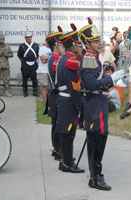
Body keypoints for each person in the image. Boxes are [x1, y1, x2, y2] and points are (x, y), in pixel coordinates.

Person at [78, 18, 125, 190]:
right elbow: (91, 84)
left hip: (97, 102)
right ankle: (96, 176)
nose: (100, 43)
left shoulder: (94, 57)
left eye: (99, 40)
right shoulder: (89, 58)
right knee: (99, 137)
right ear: (87, 43)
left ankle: (94, 175)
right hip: (96, 102)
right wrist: (112, 78)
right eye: (95, 41)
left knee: (95, 137)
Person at [55, 24, 84, 173]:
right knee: (68, 133)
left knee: (66, 133)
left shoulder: (64, 58)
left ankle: (64, 160)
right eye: (78, 45)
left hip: (63, 100)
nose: (80, 48)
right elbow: (74, 87)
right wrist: (80, 104)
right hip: (68, 101)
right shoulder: (70, 61)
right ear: (72, 46)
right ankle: (66, 163)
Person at [44, 27, 63, 160]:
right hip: (56, 96)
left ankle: (57, 149)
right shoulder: (56, 60)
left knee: (56, 123)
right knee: (57, 123)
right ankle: (57, 150)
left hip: (54, 95)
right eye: (61, 44)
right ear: (55, 47)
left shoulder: (55, 58)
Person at [17, 26, 39, 97]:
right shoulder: (22, 46)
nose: (28, 38)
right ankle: (25, 91)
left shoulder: (35, 45)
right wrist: (23, 61)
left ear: (31, 37)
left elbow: (38, 54)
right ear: (25, 38)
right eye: (27, 37)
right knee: (25, 79)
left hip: (33, 63)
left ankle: (35, 91)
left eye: (29, 37)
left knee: (34, 79)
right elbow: (19, 55)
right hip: (25, 63)